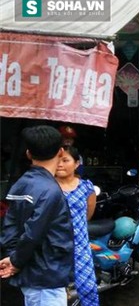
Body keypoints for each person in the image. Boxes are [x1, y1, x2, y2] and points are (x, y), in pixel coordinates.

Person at [0, 125, 74, 306]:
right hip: (46, 277)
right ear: (61, 151)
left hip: (33, 275)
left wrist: (12, 257)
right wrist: (16, 261)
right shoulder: (51, 191)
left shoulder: (20, 185)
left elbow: (9, 226)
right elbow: (33, 233)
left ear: (28, 154)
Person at [55, 144, 99, 306]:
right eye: (57, 160)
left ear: (76, 163)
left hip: (80, 246)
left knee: (88, 288)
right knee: (57, 291)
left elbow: (88, 214)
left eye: (65, 160)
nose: (59, 164)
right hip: (55, 247)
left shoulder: (86, 187)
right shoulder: (48, 186)